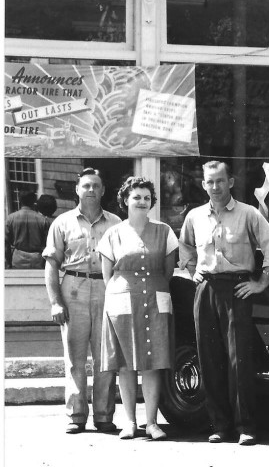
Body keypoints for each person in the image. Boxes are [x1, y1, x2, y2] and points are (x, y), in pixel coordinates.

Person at [178, 161, 269, 446]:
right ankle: (220, 426)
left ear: (231, 182)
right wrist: (192, 271)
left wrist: (260, 282)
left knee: (238, 361)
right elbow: (185, 247)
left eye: (220, 181)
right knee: (209, 361)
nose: (215, 187)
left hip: (237, 290)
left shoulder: (248, 214)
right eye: (210, 182)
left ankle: (245, 426)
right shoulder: (195, 216)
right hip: (206, 290)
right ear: (204, 184)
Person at [97, 177, 178, 440]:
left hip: (155, 298)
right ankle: (130, 422)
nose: (142, 202)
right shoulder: (113, 233)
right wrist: (126, 292)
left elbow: (167, 270)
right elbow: (107, 276)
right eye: (136, 197)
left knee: (153, 363)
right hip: (123, 300)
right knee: (126, 364)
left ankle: (152, 422)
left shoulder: (164, 231)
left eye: (146, 197)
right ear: (125, 201)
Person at [43, 168, 120, 434]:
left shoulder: (115, 223)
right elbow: (51, 265)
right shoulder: (61, 222)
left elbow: (121, 263)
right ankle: (76, 415)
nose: (90, 190)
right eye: (85, 185)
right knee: (74, 357)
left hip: (105, 287)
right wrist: (55, 302)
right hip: (72, 288)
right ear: (77, 189)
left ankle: (103, 415)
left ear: (102, 191)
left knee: (105, 357)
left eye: (95, 186)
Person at [6, 190, 49, 268]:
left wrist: (8, 262)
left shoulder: (10, 219)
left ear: (20, 200)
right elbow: (48, 244)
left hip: (18, 259)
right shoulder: (42, 220)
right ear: (34, 201)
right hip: (37, 260)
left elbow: (5, 243)